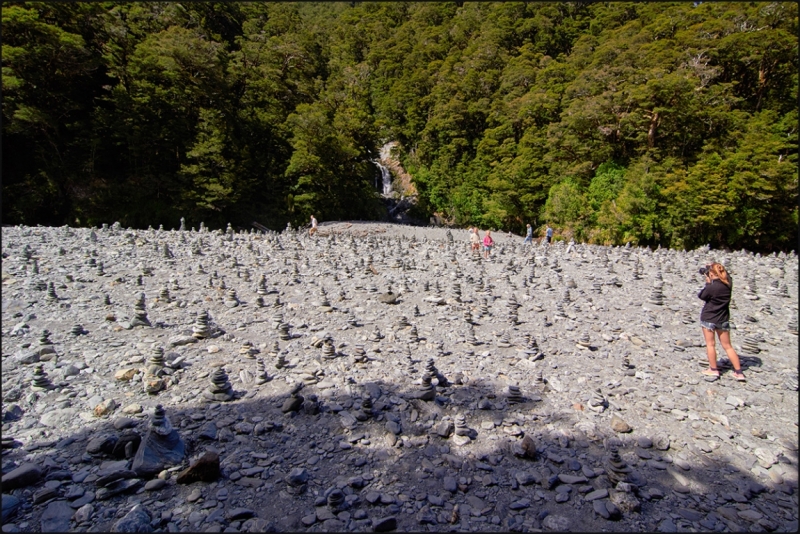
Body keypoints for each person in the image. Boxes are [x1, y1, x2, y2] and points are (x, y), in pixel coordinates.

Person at [697, 262, 746, 381]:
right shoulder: (728, 284)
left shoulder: (712, 287)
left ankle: (713, 369)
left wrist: (708, 283)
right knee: (728, 346)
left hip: (709, 318)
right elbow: (727, 276)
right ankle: (739, 372)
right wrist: (714, 267)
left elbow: (702, 296)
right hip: (723, 318)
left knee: (710, 344)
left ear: (712, 275)